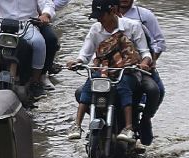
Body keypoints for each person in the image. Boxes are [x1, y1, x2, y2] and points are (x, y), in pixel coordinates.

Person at [65, 0, 153, 144]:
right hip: (102, 72)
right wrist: (77, 62)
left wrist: (143, 64)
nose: (100, 20)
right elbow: (85, 54)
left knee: (124, 85)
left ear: (112, 11)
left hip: (127, 71)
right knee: (87, 87)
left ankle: (129, 127)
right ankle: (77, 125)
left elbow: (145, 52)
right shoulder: (95, 29)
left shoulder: (133, 26)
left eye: (102, 16)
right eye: (96, 17)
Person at [0, 0, 53, 96]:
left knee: (39, 43)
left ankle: (35, 82)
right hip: (1, 26)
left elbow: (47, 3)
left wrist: (45, 15)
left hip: (27, 26)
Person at [118, 0, 165, 144]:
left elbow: (159, 42)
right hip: (113, 68)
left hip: (140, 66)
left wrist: (151, 61)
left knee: (157, 90)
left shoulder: (144, 16)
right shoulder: (104, 17)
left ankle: (145, 121)